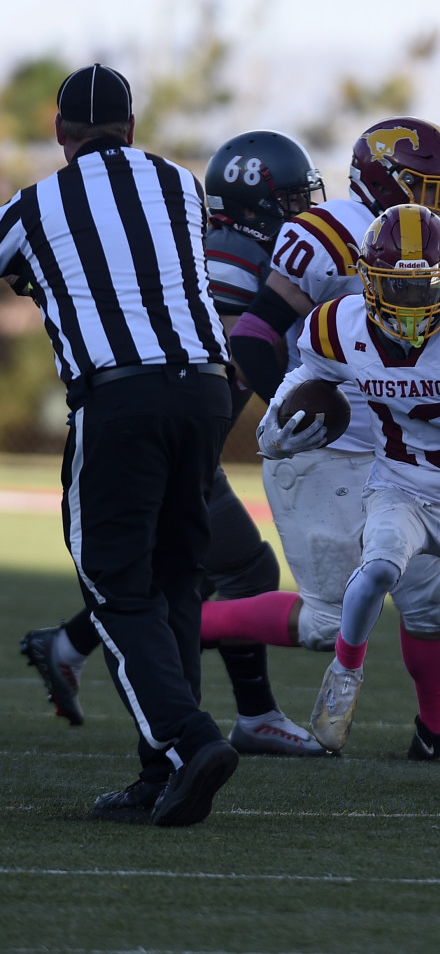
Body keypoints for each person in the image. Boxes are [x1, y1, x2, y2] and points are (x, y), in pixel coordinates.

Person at [207, 117, 440, 766]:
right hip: (324, 447)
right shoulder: (326, 236)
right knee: (326, 620)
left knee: (429, 598)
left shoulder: (426, 248)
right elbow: (256, 334)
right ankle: (183, 625)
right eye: (429, 187)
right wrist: (301, 407)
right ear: (386, 179)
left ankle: (437, 732)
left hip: (394, 456)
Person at [20, 130, 328, 758]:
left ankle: (76, 649)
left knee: (219, 571)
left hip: (185, 444)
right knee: (188, 578)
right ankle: (210, 725)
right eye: (292, 198)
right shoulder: (227, 262)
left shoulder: (245, 254)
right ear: (255, 202)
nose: (303, 210)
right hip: (167, 442)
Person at [0, 64, 237, 825]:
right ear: (132, 129)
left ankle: (186, 737)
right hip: (205, 388)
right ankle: (160, 773)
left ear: (61, 134)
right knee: (176, 573)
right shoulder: (180, 184)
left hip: (119, 395)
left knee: (114, 581)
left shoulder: (37, 203)